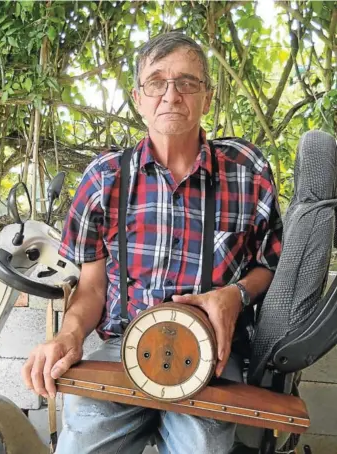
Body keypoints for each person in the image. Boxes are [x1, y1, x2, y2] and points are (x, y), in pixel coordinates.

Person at [22, 32, 282, 454]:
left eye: (187, 82)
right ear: (138, 97)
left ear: (207, 97)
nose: (171, 95)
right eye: (156, 82)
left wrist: (235, 295)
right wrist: (68, 335)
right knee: (82, 443)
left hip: (210, 353)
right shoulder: (104, 178)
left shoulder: (247, 172)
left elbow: (270, 262)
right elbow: (91, 288)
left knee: (203, 447)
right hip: (121, 347)